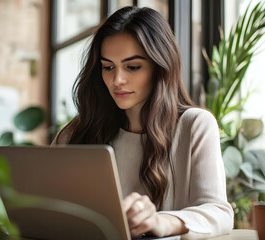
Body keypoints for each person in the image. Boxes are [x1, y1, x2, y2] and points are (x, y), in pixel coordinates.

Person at [52, 6, 234, 238]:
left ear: (160, 67)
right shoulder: (77, 132)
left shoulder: (195, 125)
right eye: (108, 67)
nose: (117, 80)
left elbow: (220, 213)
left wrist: (160, 221)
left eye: (133, 67)